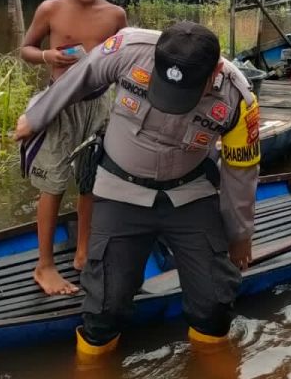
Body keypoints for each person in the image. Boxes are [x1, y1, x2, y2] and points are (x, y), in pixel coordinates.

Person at [14, 22, 259, 359]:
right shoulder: (128, 49)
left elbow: (241, 172)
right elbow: (82, 74)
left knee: (215, 301)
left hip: (189, 194)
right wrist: (37, 115)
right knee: (104, 309)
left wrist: (240, 235)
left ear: (214, 71)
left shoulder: (238, 98)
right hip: (120, 191)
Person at [18, 0, 128, 296]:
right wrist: (49, 57)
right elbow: (26, 49)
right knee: (52, 183)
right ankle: (44, 265)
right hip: (60, 105)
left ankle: (83, 251)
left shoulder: (115, 15)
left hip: (99, 104)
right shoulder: (51, 9)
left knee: (92, 180)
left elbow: (125, 59)